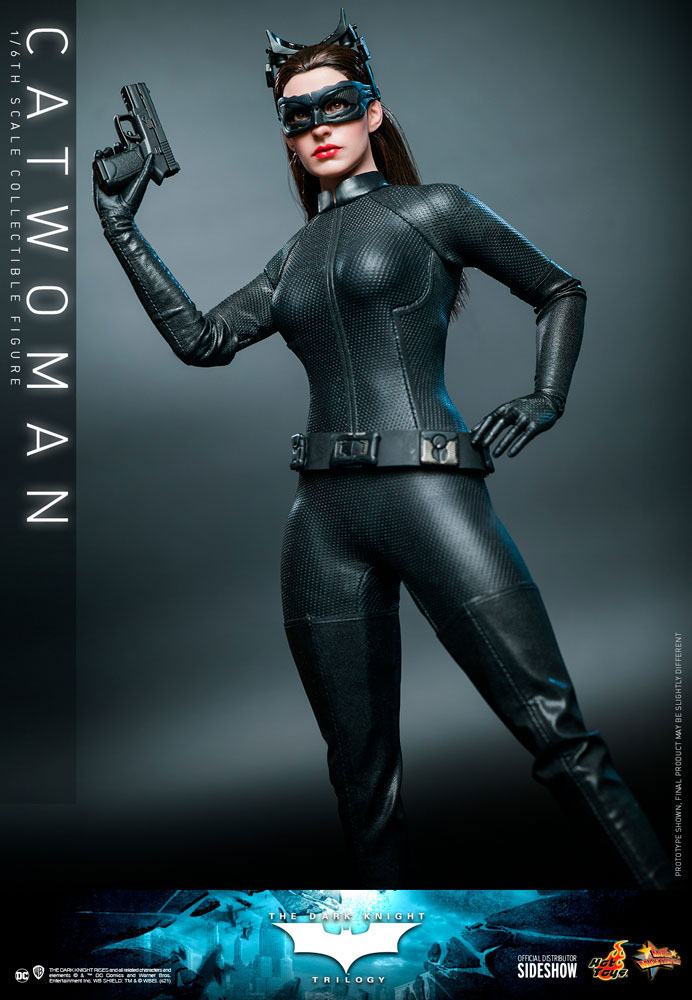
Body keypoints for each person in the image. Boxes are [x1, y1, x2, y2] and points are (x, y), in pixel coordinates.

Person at [92, 9, 671, 888]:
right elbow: (203, 340)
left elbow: (560, 289)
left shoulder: (434, 211)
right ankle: (387, 952)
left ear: (373, 112)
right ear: (288, 141)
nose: (318, 126)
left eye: (336, 104)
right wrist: (119, 225)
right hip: (321, 521)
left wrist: (546, 396)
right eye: (298, 117)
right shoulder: (292, 258)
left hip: (428, 493)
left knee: (557, 734)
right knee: (362, 786)